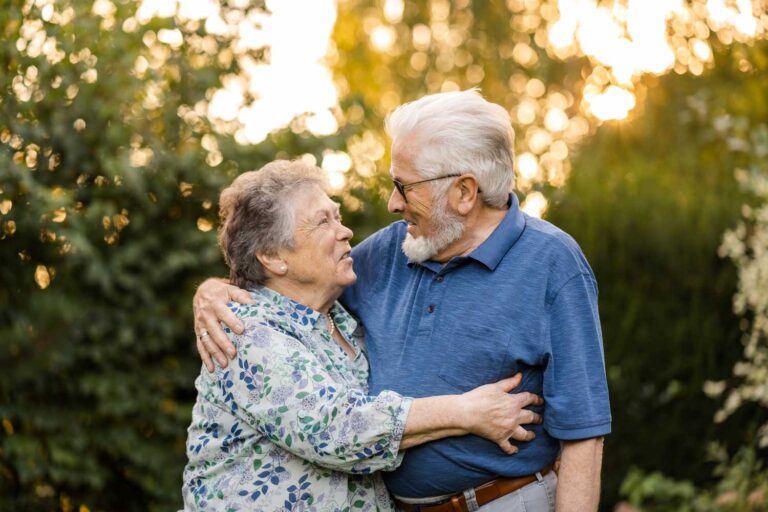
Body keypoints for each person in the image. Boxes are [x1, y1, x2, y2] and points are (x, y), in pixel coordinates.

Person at [194, 90, 611, 511]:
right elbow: (291, 283)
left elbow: (584, 434)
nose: (392, 203)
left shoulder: (552, 263)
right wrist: (211, 292)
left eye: (404, 186)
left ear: (465, 192)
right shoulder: (390, 253)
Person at [181, 160, 545, 511]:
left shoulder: (343, 317)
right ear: (273, 257)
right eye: (322, 222)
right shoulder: (246, 331)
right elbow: (333, 430)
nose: (345, 231)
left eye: (337, 215)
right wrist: (467, 411)